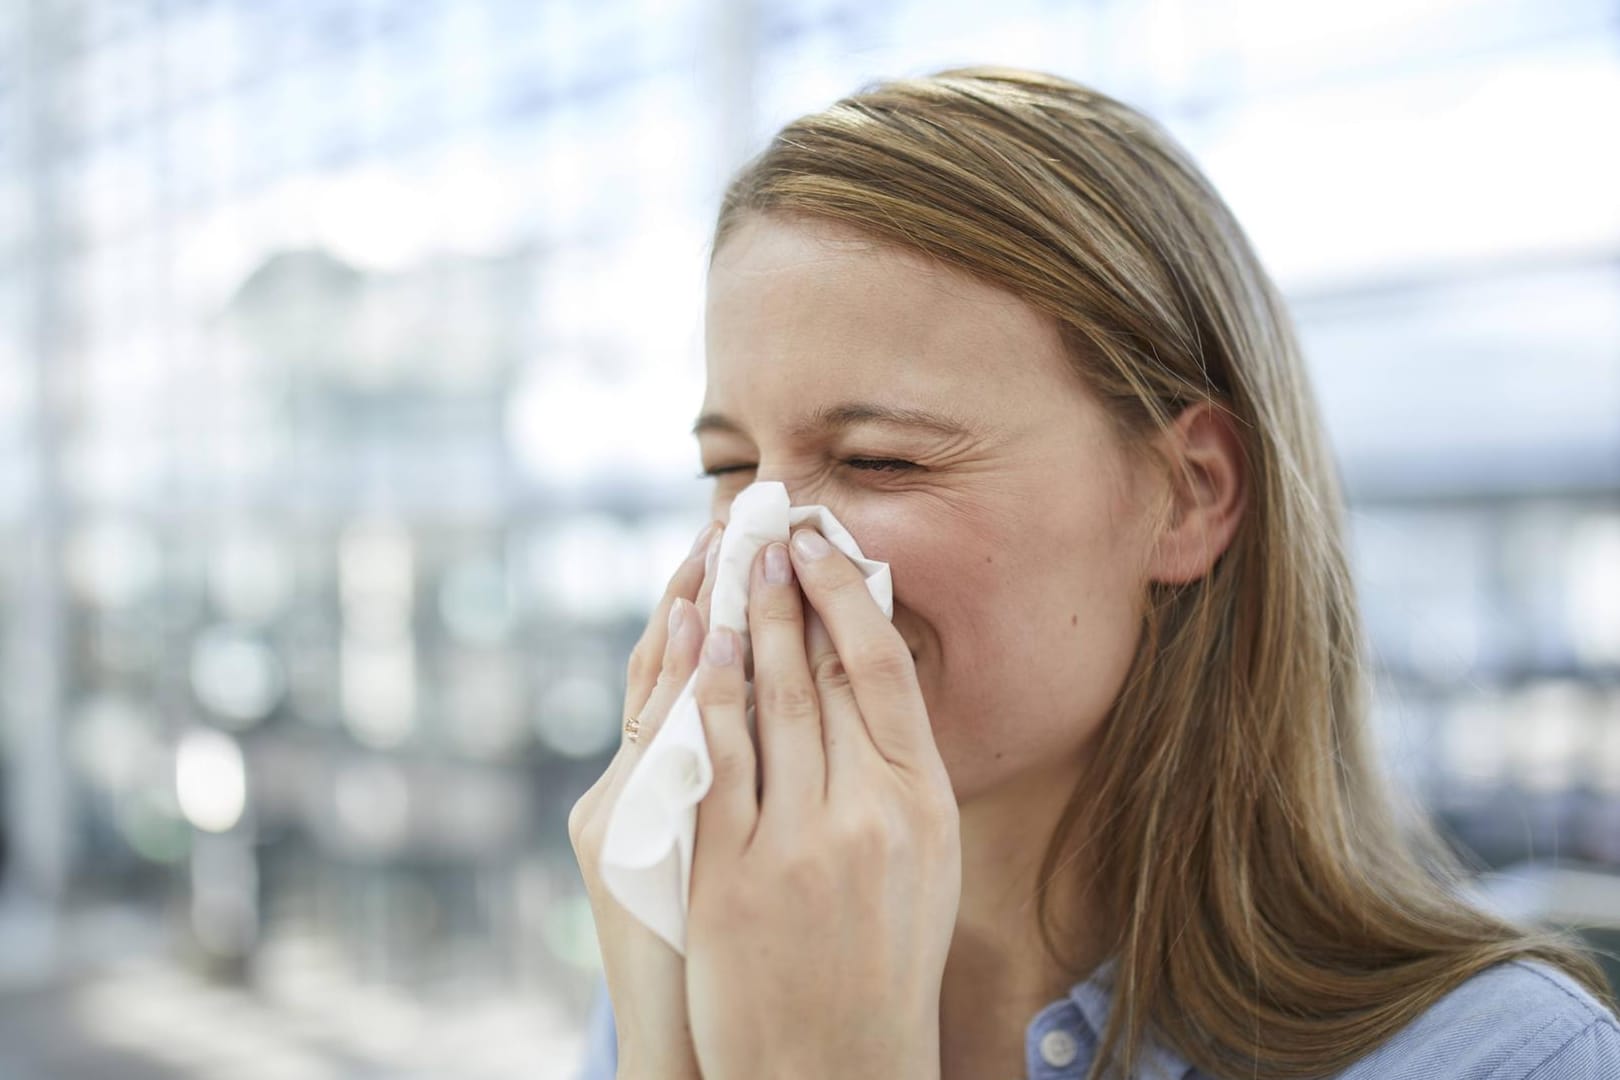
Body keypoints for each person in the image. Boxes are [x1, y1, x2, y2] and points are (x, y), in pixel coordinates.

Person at [566, 65, 1619, 1080]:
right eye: (729, 466)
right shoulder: (710, 953)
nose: (760, 558)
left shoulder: (1507, 1060)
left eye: (881, 459)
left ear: (1189, 495)